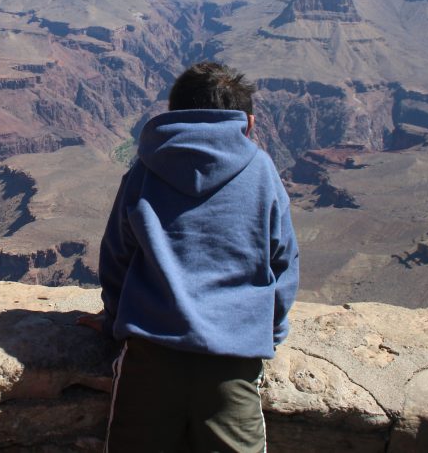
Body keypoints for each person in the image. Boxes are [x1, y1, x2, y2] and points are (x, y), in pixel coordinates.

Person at [93, 61, 299, 452]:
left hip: (149, 359)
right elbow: (283, 261)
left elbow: (116, 257)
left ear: (173, 114)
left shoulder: (143, 171)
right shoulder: (262, 172)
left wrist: (112, 322)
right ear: (249, 123)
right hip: (232, 365)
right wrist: (269, 334)